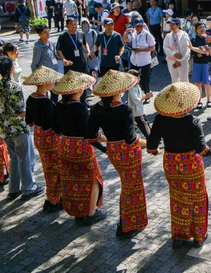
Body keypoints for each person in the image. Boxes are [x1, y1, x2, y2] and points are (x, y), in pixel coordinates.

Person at [147, 82, 211, 248]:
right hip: (191, 165)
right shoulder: (193, 121)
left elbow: (151, 146)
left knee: (178, 199)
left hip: (171, 164)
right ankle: (198, 236)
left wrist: (155, 151)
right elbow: (201, 149)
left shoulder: (160, 119)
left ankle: (179, 236)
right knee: (197, 199)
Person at [89, 71, 148, 239]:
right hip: (128, 154)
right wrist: (149, 144)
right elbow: (131, 139)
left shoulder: (97, 108)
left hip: (113, 153)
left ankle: (128, 224)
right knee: (132, 188)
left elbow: (90, 136)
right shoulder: (125, 110)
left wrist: (105, 148)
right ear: (118, 91)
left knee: (128, 186)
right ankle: (126, 226)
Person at [52, 71, 107, 225]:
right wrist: (103, 147)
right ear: (76, 90)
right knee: (94, 178)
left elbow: (55, 128)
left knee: (73, 180)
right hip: (81, 149)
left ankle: (78, 212)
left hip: (65, 146)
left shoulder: (59, 105)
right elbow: (88, 133)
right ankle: (91, 213)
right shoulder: (80, 108)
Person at [0, 57, 44, 201]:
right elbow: (20, 111)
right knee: (25, 158)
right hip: (18, 128)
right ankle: (28, 188)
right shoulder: (14, 86)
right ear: (11, 68)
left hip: (4, 128)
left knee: (14, 158)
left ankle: (14, 189)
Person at [23, 66, 64, 213]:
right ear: (46, 83)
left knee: (48, 168)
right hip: (49, 138)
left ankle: (51, 197)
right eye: (52, 82)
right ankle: (54, 200)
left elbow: (29, 121)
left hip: (38, 135)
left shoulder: (31, 98)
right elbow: (49, 125)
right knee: (55, 169)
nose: (54, 84)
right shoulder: (47, 102)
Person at [124, 19, 156, 97]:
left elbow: (152, 48)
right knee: (133, 79)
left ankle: (146, 95)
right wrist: (126, 31)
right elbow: (124, 39)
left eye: (140, 26)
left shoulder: (147, 35)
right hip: (134, 61)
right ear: (134, 27)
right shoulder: (133, 34)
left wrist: (141, 50)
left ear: (143, 26)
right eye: (137, 26)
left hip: (144, 62)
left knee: (145, 80)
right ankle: (136, 96)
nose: (139, 28)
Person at [190, 23, 211, 108]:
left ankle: (209, 100)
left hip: (206, 63)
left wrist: (201, 52)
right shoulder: (193, 40)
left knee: (207, 83)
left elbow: (209, 50)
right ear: (196, 30)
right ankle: (199, 101)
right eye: (200, 27)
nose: (202, 29)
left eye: (203, 27)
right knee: (198, 83)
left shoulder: (208, 39)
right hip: (197, 63)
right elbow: (191, 50)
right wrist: (196, 53)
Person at [163, 18, 191, 84]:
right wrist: (173, 54)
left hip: (182, 60)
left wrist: (179, 60)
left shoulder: (184, 34)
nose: (171, 26)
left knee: (184, 79)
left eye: (173, 24)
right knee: (174, 79)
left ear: (178, 25)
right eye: (170, 25)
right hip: (171, 60)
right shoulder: (168, 36)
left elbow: (185, 48)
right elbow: (165, 47)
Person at [127, 69, 152, 139]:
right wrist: (145, 97)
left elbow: (141, 94)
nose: (139, 78)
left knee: (135, 126)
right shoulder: (131, 88)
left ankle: (128, 138)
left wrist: (146, 95)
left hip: (137, 111)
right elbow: (136, 100)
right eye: (138, 77)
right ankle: (151, 139)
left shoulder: (137, 86)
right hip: (137, 111)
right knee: (144, 124)